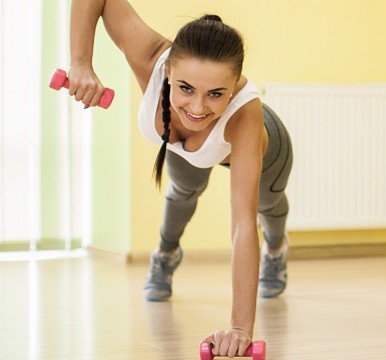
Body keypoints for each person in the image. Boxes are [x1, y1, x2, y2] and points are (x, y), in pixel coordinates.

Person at [69, 1, 293, 356]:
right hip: (191, 149)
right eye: (186, 88)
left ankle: (278, 251)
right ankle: (166, 256)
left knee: (268, 207)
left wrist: (239, 328)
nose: (198, 108)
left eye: (216, 93)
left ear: (234, 86)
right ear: (168, 72)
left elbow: (241, 226)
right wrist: (81, 62)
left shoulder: (245, 115)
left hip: (265, 149)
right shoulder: (150, 59)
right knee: (182, 192)